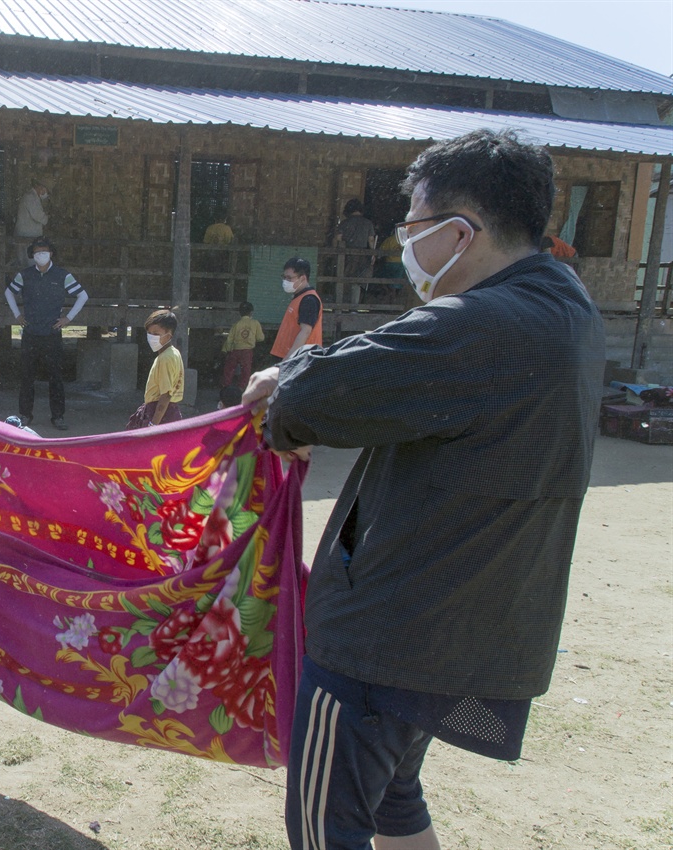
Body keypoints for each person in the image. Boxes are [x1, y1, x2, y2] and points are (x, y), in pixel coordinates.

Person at [241, 129, 605, 850]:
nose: (401, 245)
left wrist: (284, 385)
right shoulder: (566, 308)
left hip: (385, 641)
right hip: (464, 633)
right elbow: (396, 366)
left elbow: (315, 399)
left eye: (410, 228)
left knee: (324, 828)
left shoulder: (487, 324)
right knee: (394, 797)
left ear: (459, 234)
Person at [4, 237, 88, 431]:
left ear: (51, 253)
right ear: (32, 255)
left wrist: (68, 318)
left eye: (44, 251)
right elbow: (9, 293)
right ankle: (25, 415)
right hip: (30, 332)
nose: (41, 254)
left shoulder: (62, 275)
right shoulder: (24, 275)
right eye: (37, 252)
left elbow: (83, 295)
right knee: (27, 376)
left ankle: (58, 417)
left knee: (56, 377)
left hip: (52, 332)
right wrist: (17, 314)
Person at [127, 309, 183, 430]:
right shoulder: (173, 353)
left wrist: (153, 425)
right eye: (150, 333)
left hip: (161, 414)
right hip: (168, 412)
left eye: (156, 334)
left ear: (169, 334)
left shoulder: (165, 358)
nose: (152, 337)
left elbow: (166, 395)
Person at [269, 257, 323, 362]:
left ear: (302, 278)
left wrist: (287, 361)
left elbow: (305, 331)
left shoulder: (309, 300)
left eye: (289, 278)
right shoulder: (299, 297)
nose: (285, 281)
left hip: (299, 361)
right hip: (291, 359)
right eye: (284, 277)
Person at [220, 301, 264, 389]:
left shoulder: (236, 325)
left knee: (229, 370)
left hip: (235, 351)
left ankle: (225, 387)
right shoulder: (255, 323)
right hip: (247, 352)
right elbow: (260, 338)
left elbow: (229, 339)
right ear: (251, 312)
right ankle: (242, 389)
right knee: (246, 371)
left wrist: (225, 350)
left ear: (239, 313)